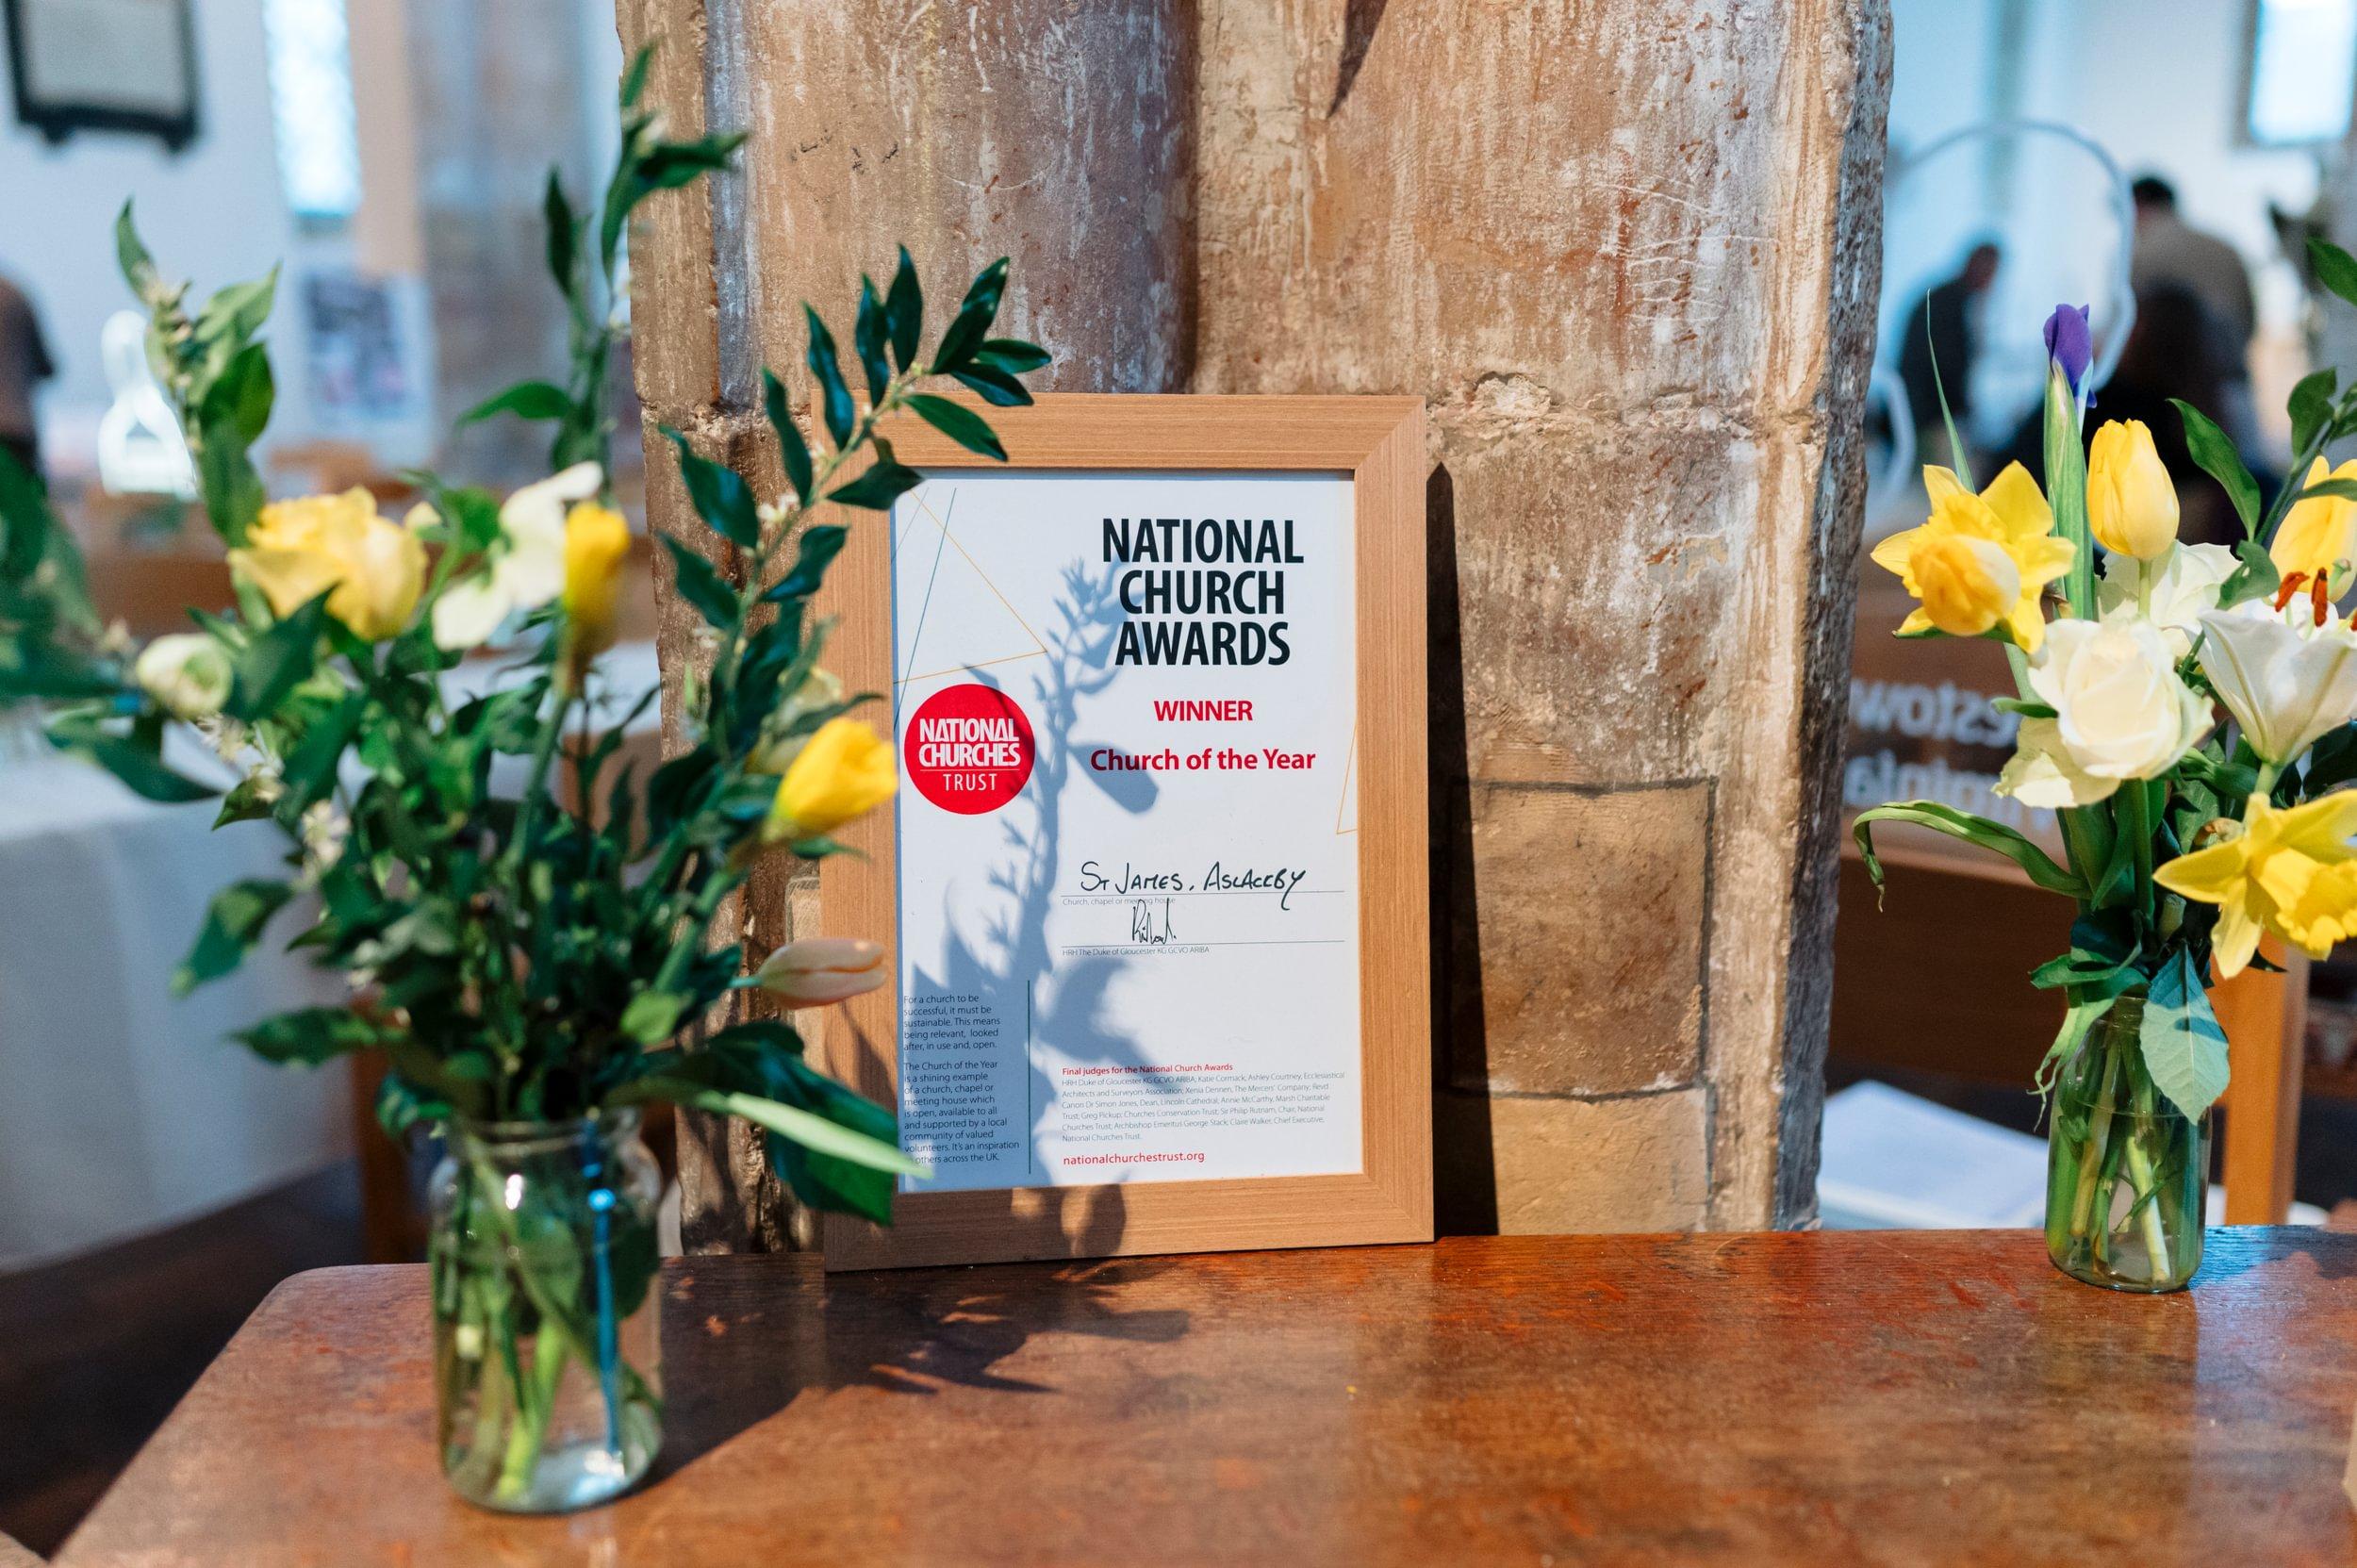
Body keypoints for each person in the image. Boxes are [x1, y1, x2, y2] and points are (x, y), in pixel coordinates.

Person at [2129, 173, 2258, 443]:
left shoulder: (2142, 255)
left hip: (2175, 407)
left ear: (2137, 205)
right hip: (2233, 388)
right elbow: (2250, 319)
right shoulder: (2224, 246)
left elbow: (2133, 340)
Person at [1894, 240, 2001, 459]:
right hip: (1925, 418)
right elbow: (1946, 372)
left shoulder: (1950, 299)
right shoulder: (1948, 306)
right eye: (1990, 272)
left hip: (1925, 411)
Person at [0, 271, 56, 483]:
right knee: (26, 512)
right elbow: (47, 367)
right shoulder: (16, 295)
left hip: (16, 438)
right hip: (18, 431)